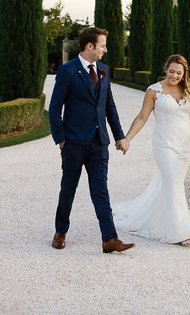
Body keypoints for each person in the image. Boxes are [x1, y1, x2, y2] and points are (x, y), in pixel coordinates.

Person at [48, 26, 134, 253]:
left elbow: (109, 107)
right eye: (102, 45)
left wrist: (119, 136)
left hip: (99, 143)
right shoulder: (67, 71)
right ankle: (60, 231)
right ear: (90, 46)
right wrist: (61, 139)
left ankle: (109, 238)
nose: (105, 49)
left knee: (100, 190)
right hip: (73, 143)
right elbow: (55, 108)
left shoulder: (104, 70)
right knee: (68, 188)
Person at [113, 54, 190, 246]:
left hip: (184, 146)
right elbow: (142, 117)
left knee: (171, 184)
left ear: (184, 74)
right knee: (173, 182)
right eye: (172, 71)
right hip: (164, 144)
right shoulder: (154, 91)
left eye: (179, 73)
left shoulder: (188, 90)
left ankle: (164, 218)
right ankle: (180, 230)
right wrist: (127, 138)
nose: (174, 76)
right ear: (166, 69)